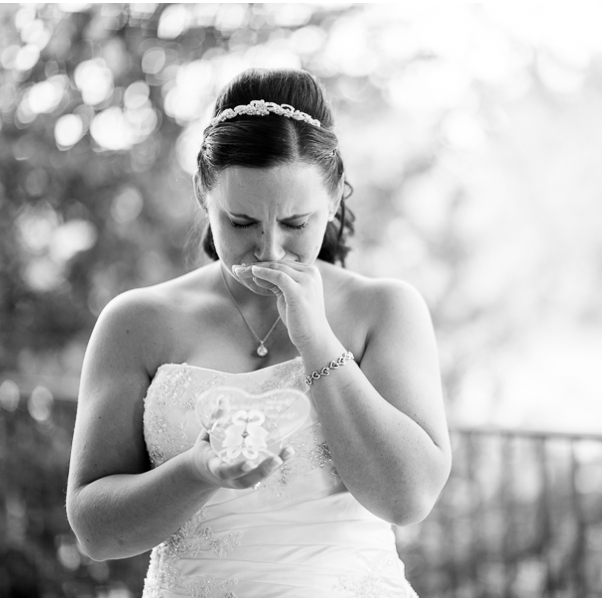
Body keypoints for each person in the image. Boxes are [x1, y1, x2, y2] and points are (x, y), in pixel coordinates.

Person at [66, 68, 452, 598]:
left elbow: (407, 499)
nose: (269, 251)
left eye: (296, 223)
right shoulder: (136, 322)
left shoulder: (383, 309)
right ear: (204, 192)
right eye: (242, 222)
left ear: (336, 195)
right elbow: (95, 532)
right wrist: (196, 472)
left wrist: (317, 338)